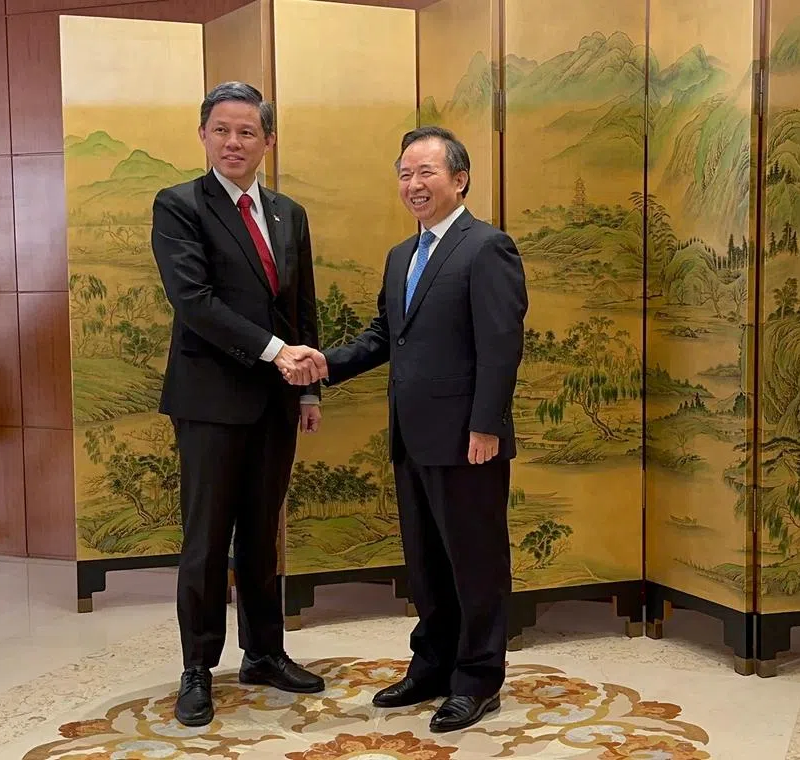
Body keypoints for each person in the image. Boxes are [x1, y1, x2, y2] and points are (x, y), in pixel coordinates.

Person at [286, 126, 527, 732]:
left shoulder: (486, 247)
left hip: (469, 440)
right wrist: (324, 362)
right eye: (404, 174)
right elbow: (382, 336)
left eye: (426, 172)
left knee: (475, 563)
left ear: (459, 179)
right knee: (425, 563)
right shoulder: (402, 255)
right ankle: (432, 666)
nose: (413, 185)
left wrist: (487, 425)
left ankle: (476, 680)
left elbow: (501, 347)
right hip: (413, 437)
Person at [150, 81, 330, 728]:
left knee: (261, 537)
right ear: (203, 135)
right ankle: (197, 668)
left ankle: (264, 652)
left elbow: (300, 304)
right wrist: (276, 352)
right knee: (204, 542)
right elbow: (194, 302)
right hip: (208, 401)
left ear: (267, 142)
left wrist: (306, 384)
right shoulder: (179, 206)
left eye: (247, 132)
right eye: (222, 130)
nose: (234, 142)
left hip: (276, 403)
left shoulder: (289, 212)